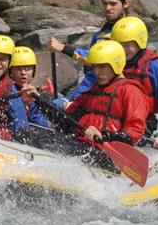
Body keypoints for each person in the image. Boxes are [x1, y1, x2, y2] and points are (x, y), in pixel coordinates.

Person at [51, 17, 158, 150]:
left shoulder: (154, 67)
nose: (123, 49)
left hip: (140, 122)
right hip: (110, 117)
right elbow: (90, 66)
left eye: (127, 45)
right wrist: (74, 101)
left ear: (140, 42)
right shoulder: (110, 61)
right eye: (119, 44)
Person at [33, 41, 148, 172]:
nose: (97, 72)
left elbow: (135, 131)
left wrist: (103, 136)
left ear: (116, 65)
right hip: (81, 147)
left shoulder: (130, 91)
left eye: (102, 67)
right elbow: (66, 121)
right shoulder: (91, 92)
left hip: (106, 155)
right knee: (33, 135)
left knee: (52, 143)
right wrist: (37, 99)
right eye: (94, 67)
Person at [8, 46, 50, 128]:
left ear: (33, 71)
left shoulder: (33, 94)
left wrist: (37, 100)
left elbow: (41, 124)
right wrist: (23, 104)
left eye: (27, 69)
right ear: (11, 71)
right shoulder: (8, 90)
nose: (23, 72)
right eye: (18, 69)